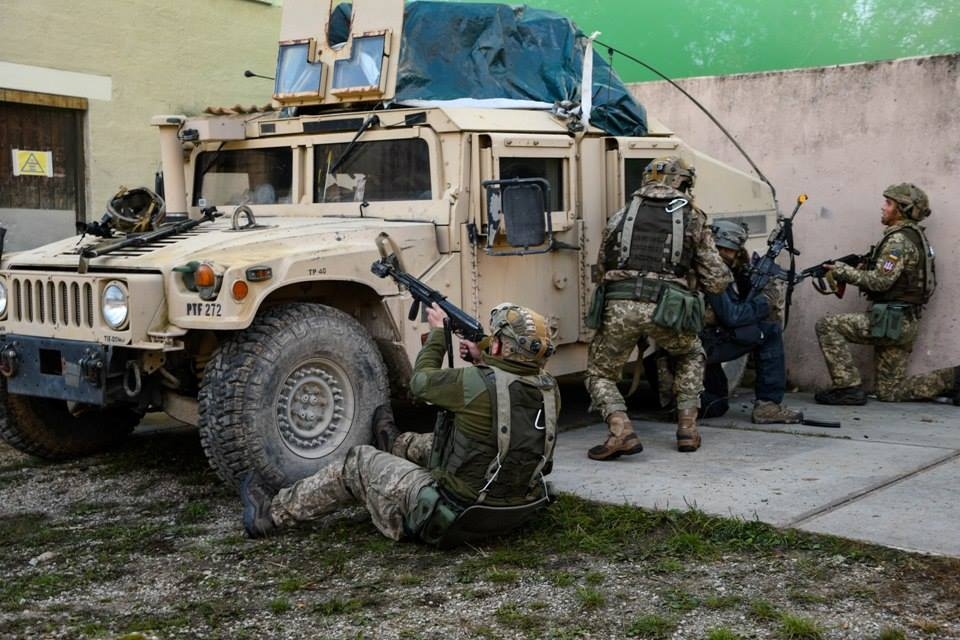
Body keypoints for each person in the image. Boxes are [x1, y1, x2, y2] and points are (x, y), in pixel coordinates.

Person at [240, 302, 561, 547]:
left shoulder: (474, 384)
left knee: (357, 462)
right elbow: (501, 396)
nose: (491, 342)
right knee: (437, 441)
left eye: (495, 339)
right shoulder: (549, 388)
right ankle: (393, 444)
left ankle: (272, 515)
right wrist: (482, 359)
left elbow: (420, 383)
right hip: (510, 510)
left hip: (456, 517)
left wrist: (437, 335)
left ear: (502, 346)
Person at [584, 156, 732, 459]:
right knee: (690, 354)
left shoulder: (621, 214)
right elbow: (717, 280)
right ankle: (687, 429)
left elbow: (601, 268)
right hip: (668, 308)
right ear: (682, 182)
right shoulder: (691, 216)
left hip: (619, 306)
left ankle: (621, 430)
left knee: (600, 373)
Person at [814, 183, 959, 405]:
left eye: (889, 203)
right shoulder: (915, 236)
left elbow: (881, 281)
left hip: (890, 322)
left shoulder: (898, 241)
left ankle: (847, 387)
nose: (883, 207)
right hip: (903, 320)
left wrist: (843, 272)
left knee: (827, 325)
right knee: (891, 391)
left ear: (902, 209)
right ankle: (955, 378)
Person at [696, 221, 802, 422]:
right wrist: (764, 302)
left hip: (696, 340)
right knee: (769, 331)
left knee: (716, 404)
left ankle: (683, 406)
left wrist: (746, 278)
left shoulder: (701, 262)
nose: (725, 254)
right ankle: (768, 405)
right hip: (700, 343)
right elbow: (732, 316)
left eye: (729, 250)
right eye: (721, 249)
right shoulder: (711, 271)